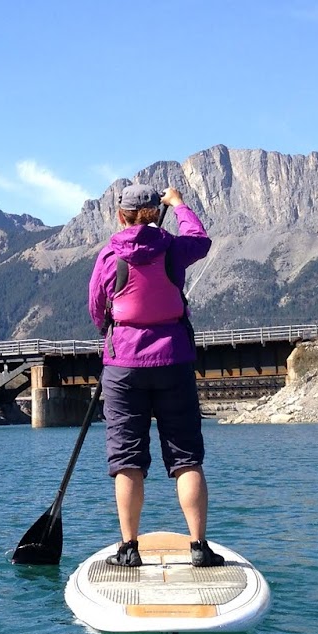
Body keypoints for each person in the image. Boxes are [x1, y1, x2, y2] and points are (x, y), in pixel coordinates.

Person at [87, 183, 221, 568]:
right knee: (186, 458)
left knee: (127, 460)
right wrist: (179, 205)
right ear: (154, 211)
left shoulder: (110, 255)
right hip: (174, 362)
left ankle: (129, 550)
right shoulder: (173, 248)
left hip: (123, 367)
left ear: (120, 216)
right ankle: (199, 548)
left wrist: (115, 340)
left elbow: (98, 309)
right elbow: (200, 239)